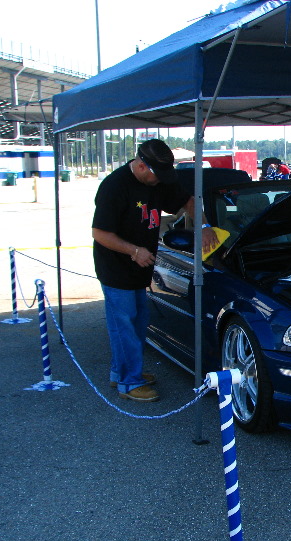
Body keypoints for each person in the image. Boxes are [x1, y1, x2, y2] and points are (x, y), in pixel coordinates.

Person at [92, 139, 219, 402]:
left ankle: (123, 372)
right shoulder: (114, 187)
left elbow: (188, 200)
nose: (159, 181)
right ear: (140, 166)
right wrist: (133, 251)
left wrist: (204, 227)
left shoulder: (159, 180)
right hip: (116, 267)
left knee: (138, 321)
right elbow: (100, 233)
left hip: (141, 267)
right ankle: (129, 383)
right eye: (155, 176)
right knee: (123, 324)